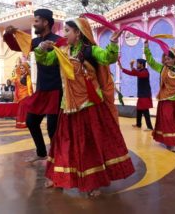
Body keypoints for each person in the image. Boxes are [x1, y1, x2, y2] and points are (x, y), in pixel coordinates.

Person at [35, 18, 134, 196]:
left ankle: (94, 182)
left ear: (78, 33)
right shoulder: (62, 51)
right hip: (68, 107)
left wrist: (112, 43)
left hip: (89, 106)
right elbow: (46, 61)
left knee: (90, 145)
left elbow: (108, 58)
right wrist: (41, 49)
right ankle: (58, 176)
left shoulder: (90, 51)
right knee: (63, 144)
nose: (64, 34)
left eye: (67, 31)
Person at [3, 9, 63, 162]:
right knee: (31, 122)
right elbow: (17, 46)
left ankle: (58, 160)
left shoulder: (58, 41)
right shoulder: (35, 42)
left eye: (36, 21)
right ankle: (42, 153)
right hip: (42, 90)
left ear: (45, 22)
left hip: (57, 89)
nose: (34, 24)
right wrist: (8, 34)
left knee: (52, 129)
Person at [118, 58, 153, 130]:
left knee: (145, 110)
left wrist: (131, 66)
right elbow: (132, 73)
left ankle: (149, 127)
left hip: (145, 95)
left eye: (138, 63)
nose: (137, 65)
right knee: (139, 109)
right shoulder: (140, 71)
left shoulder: (145, 72)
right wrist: (122, 68)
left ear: (142, 64)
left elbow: (137, 73)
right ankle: (138, 124)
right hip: (142, 94)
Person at [13, 62, 33, 128]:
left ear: (26, 69)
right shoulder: (19, 76)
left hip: (25, 96)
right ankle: (21, 122)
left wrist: (30, 96)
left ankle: (24, 123)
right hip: (20, 96)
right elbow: (13, 79)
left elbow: (29, 87)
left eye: (23, 68)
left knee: (23, 110)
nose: (21, 69)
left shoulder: (27, 76)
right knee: (21, 109)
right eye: (20, 68)